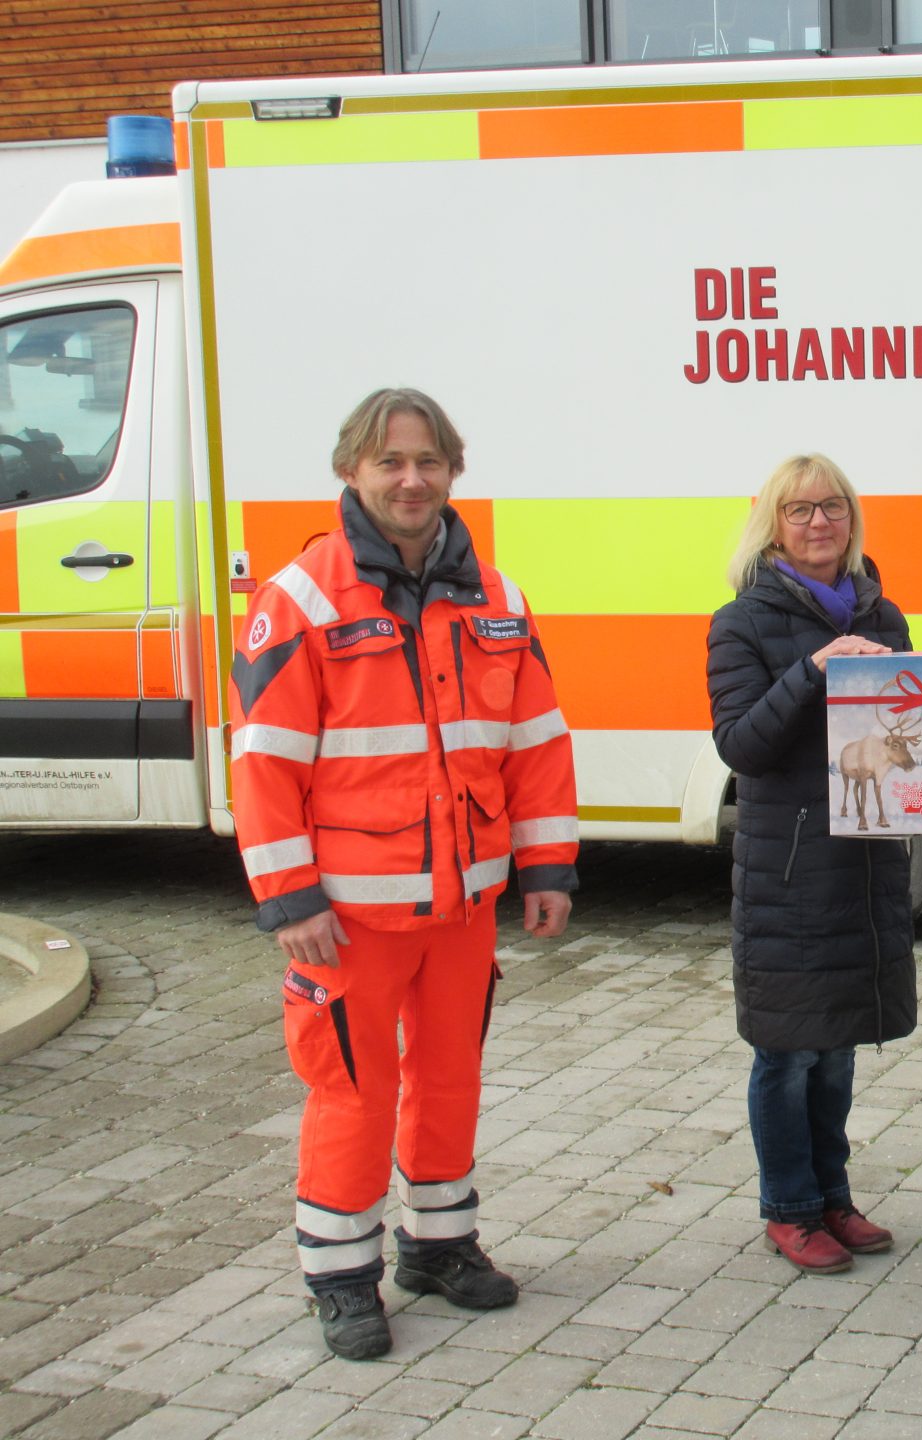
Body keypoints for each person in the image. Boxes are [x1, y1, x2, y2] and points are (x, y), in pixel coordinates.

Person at [228, 388, 578, 1361]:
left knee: (450, 1075)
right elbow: (263, 763)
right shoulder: (300, 598)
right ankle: (341, 1275)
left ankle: (440, 1245)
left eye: (427, 461)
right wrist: (288, 896)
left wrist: (547, 865)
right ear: (354, 470)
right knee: (354, 1089)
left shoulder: (498, 600)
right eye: (391, 462)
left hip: (462, 905)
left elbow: (537, 746)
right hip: (345, 916)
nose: (411, 479)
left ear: (452, 470)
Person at [706, 454, 915, 1274]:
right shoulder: (741, 622)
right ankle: (788, 1206)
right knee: (787, 1052)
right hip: (789, 867)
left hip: (863, 861)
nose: (820, 523)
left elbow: (909, 737)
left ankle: (833, 1197)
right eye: (800, 511)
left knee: (837, 1048)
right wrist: (813, 672)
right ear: (773, 524)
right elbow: (742, 746)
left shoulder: (884, 613)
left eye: (833, 508)